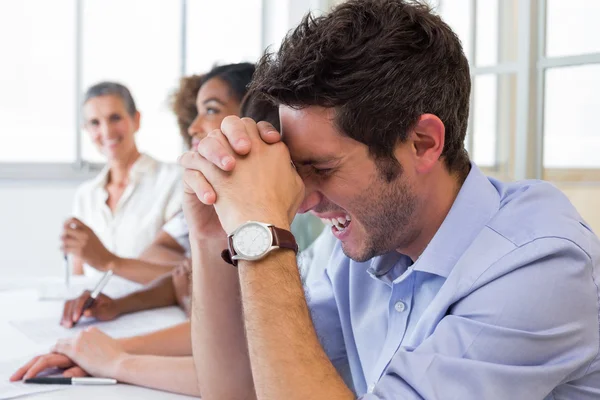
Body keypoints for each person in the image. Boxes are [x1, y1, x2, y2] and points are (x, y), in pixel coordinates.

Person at [176, 1, 600, 399]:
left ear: (422, 143)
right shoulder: (363, 239)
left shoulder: (540, 268)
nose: (302, 202)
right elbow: (241, 389)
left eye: (322, 169)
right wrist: (213, 232)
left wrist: (264, 235)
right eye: (293, 168)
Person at [10, 87, 331, 397]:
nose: (195, 127)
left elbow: (245, 375)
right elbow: (178, 275)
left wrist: (117, 356)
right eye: (93, 122)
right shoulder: (90, 193)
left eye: (211, 110)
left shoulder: (320, 240)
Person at [65, 82, 183, 282]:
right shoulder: (86, 195)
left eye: (115, 118)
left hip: (157, 309)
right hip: (96, 309)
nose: (107, 131)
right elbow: (78, 275)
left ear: (136, 120)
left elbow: (183, 272)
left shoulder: (174, 180)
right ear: (86, 129)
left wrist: (109, 262)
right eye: (95, 123)